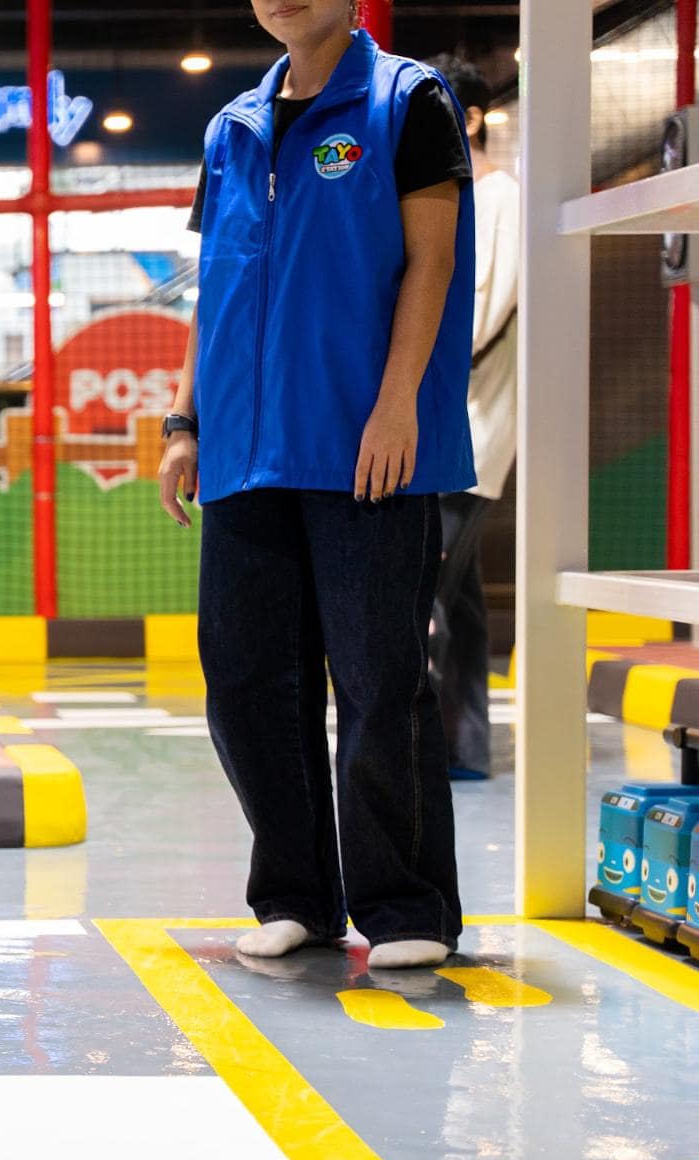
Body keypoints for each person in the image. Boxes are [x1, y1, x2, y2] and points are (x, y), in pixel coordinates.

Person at [157, 2, 477, 969]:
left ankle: (406, 905)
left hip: (363, 446)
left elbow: (431, 262)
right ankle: (295, 894)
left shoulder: (406, 100)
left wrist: (398, 403)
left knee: (378, 680)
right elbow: (214, 288)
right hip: (245, 452)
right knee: (246, 682)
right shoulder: (230, 129)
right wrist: (183, 422)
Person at [426, 54, 518, 781]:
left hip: (469, 423)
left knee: (424, 582)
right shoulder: (452, 198)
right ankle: (465, 749)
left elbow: (481, 319)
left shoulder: (500, 200)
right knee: (455, 591)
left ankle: (425, 747)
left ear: (473, 118)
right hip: (445, 422)